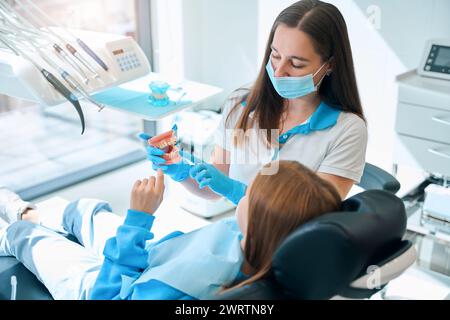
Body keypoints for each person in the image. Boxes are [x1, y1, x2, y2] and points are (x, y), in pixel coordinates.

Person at [0, 161, 341, 300]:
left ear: (259, 222)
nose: (244, 190)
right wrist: (224, 186)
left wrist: (138, 219)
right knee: (84, 209)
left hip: (104, 287)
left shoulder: (192, 282)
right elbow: (258, 207)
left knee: (23, 236)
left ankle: (15, 226)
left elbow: (108, 297)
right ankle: (27, 211)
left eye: (249, 192)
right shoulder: (261, 242)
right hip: (144, 263)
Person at [141, 0, 368, 205]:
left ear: (330, 65)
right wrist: (181, 171)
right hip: (240, 235)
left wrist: (237, 191)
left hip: (294, 247)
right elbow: (214, 190)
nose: (278, 72)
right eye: (275, 56)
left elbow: (313, 213)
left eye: (296, 64)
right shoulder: (242, 105)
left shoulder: (347, 130)